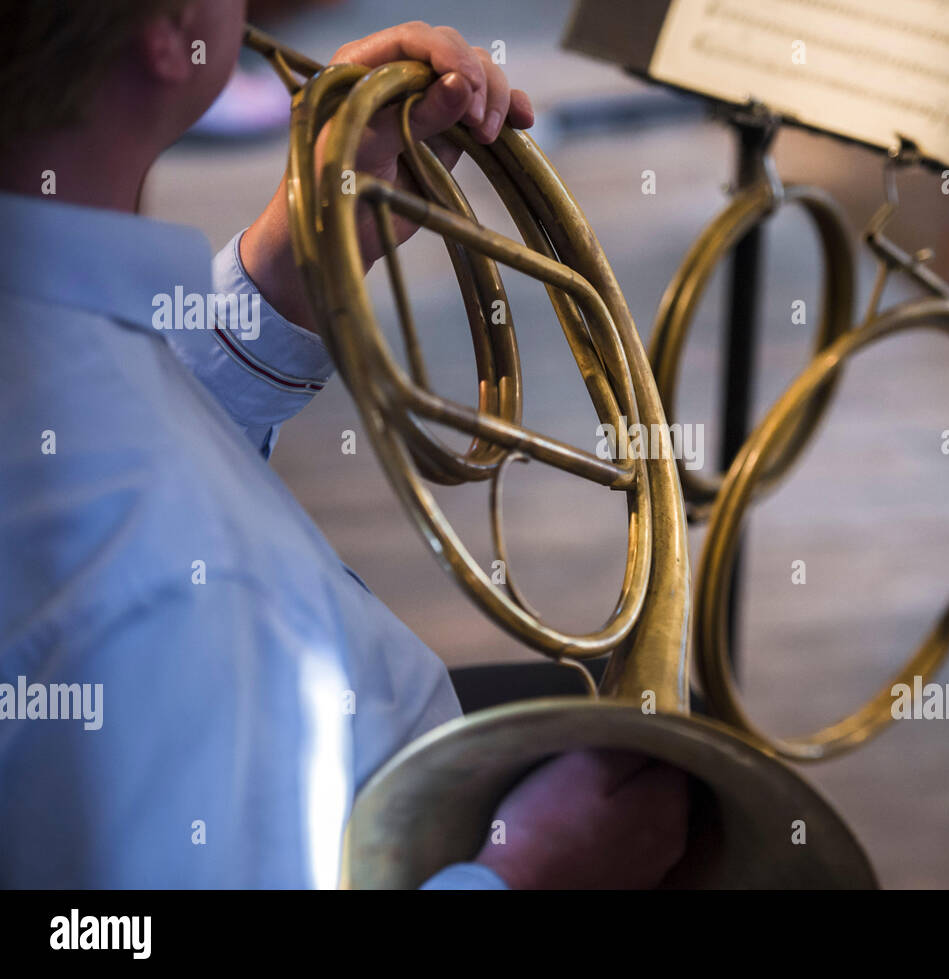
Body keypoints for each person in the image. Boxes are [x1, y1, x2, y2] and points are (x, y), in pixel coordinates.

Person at [0, 0, 688, 889]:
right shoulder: (171, 581)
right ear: (169, 35)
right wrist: (528, 873)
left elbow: (100, 422)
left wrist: (292, 268)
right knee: (682, 784)